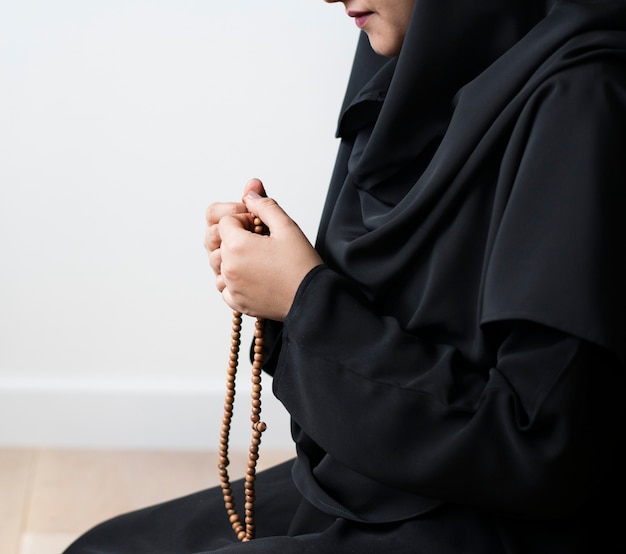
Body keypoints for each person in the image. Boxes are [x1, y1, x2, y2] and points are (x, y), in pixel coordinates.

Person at [64, 0, 625, 552]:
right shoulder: (410, 63)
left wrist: (306, 302)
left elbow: (541, 450)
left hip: (496, 519)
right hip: (381, 479)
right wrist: (283, 283)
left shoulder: (584, 96)